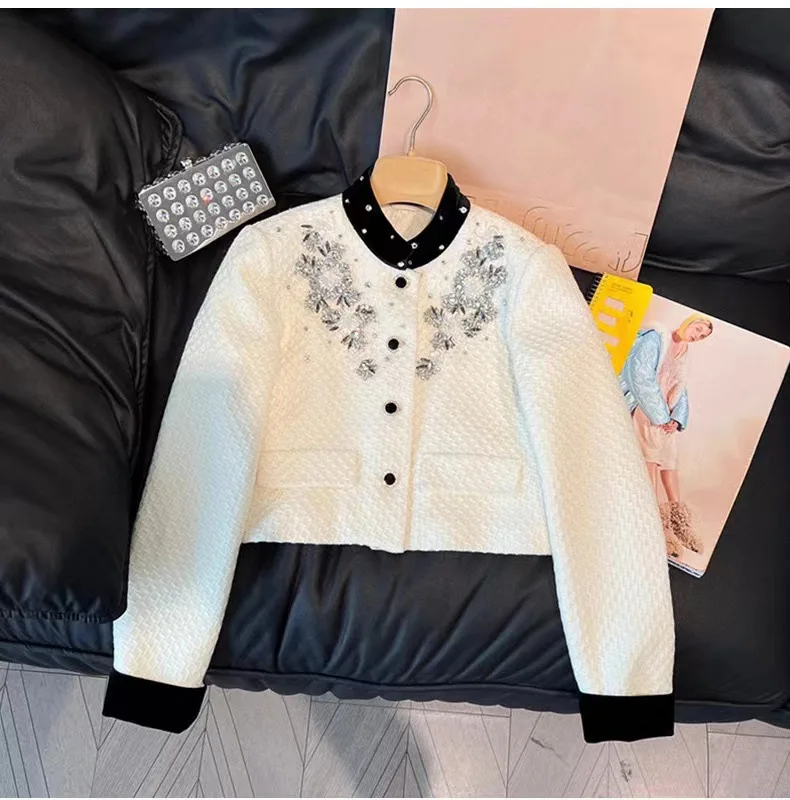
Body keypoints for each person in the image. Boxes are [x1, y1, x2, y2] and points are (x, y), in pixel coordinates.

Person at [621, 314, 713, 557]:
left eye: (702, 336)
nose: (697, 336)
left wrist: (677, 418)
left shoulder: (685, 354)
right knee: (650, 461)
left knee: (670, 463)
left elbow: (681, 389)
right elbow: (640, 377)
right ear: (689, 322)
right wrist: (660, 416)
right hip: (646, 409)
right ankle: (655, 525)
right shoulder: (657, 337)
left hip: (666, 415)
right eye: (698, 329)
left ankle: (679, 522)